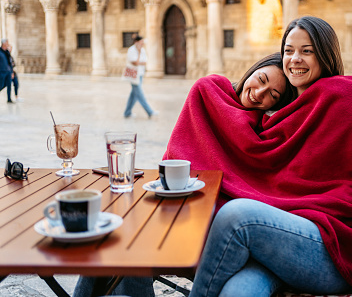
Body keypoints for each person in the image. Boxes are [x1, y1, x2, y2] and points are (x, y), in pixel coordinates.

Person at [163, 16, 352, 296]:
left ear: (325, 55)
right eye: (289, 50)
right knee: (239, 291)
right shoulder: (283, 114)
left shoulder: (342, 95)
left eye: (307, 51)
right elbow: (273, 181)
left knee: (238, 215)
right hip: (278, 244)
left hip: (334, 247)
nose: (295, 59)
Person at [72, 52, 295, 297]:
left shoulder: (265, 129)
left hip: (218, 219)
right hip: (176, 201)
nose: (259, 93)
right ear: (253, 70)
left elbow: (255, 179)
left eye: (272, 95)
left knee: (127, 236)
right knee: (115, 227)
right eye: (261, 79)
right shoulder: (209, 91)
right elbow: (177, 154)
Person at [123, 35, 159, 118]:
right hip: (133, 75)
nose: (142, 43)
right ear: (136, 42)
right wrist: (138, 54)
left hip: (140, 74)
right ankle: (149, 111)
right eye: (141, 42)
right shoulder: (131, 50)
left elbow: (144, 61)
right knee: (139, 94)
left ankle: (127, 112)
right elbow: (135, 62)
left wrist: (139, 60)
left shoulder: (142, 50)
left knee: (134, 95)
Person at [0, 38, 13, 103]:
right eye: (7, 43)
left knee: (9, 85)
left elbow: (10, 62)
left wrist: (12, 72)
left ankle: (9, 99)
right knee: (1, 85)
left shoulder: (7, 52)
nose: (8, 44)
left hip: (8, 72)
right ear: (4, 43)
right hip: (2, 72)